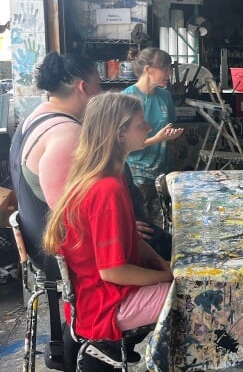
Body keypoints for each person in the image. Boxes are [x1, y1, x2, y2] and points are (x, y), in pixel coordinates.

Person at [43, 93, 173, 356]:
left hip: (98, 293)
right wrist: (166, 277)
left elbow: (134, 241)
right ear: (119, 134)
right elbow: (113, 272)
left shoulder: (107, 176)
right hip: (104, 304)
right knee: (193, 299)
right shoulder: (107, 189)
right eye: (141, 124)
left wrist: (164, 264)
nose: (149, 128)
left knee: (185, 282)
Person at [9, 52, 102, 370]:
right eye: (98, 85)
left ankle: (73, 340)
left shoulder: (35, 117)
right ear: (83, 87)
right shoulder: (66, 134)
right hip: (58, 250)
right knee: (163, 251)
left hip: (41, 240)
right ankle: (96, 346)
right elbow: (77, 218)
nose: (100, 93)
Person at [122, 47, 184, 224]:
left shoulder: (164, 96)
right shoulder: (127, 98)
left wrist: (171, 136)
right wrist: (158, 138)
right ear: (148, 70)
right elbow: (122, 145)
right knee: (143, 228)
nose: (169, 73)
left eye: (170, 68)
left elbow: (168, 127)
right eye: (165, 68)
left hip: (163, 171)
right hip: (137, 176)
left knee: (165, 224)